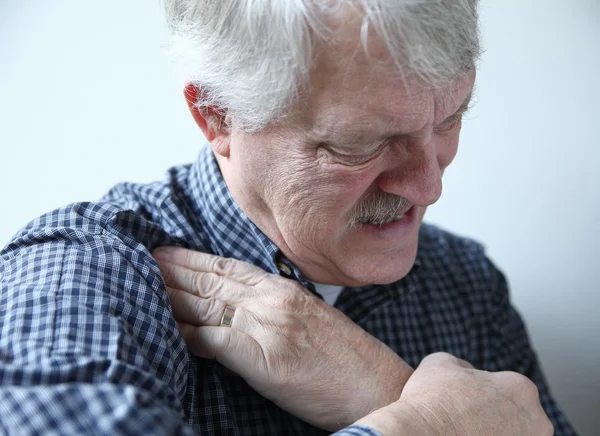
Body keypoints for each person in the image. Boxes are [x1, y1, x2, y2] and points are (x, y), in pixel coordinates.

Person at [0, 0, 576, 435]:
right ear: (217, 116)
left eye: (451, 117)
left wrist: (385, 386)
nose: (429, 185)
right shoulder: (83, 274)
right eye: (361, 144)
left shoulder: (468, 282)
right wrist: (411, 425)